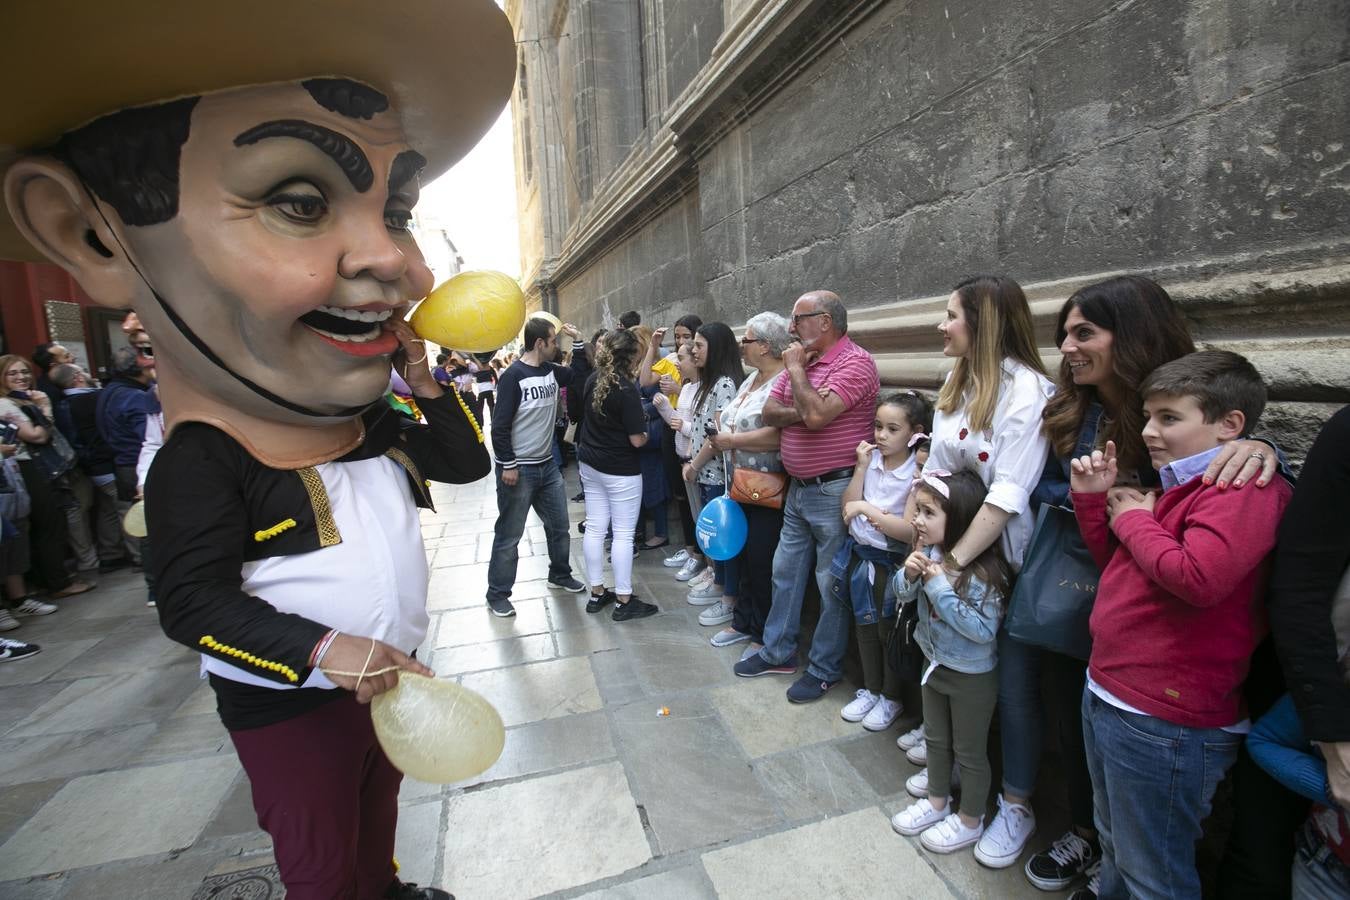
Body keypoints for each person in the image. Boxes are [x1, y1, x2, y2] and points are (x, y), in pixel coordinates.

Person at [1, 4, 513, 894]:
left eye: (396, 211)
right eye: (300, 201)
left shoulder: (371, 420)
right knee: (318, 858)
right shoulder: (204, 456)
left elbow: (467, 469)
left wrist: (428, 390)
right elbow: (190, 602)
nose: (403, 265)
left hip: (389, 687)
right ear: (89, 236)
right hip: (291, 706)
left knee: (374, 824)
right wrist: (323, 651)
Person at [999, 275, 1287, 888]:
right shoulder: (1072, 404)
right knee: (1082, 740)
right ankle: (1096, 848)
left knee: (1152, 846)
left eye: (1084, 332)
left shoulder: (1194, 427)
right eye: (1064, 334)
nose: (1069, 348)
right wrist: (1094, 498)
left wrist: (1264, 451)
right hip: (1096, 608)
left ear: (1130, 337)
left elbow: (1211, 537)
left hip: (1170, 680)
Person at [1070, 350, 1293, 900]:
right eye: (1149, 416)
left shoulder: (1244, 488)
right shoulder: (1183, 483)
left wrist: (1138, 520)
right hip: (1117, 690)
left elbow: (1198, 577)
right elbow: (1127, 572)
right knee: (1117, 843)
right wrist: (1098, 507)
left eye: (1169, 418)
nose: (1149, 431)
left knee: (1156, 874)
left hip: (1166, 714)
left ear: (1230, 425)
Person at [894, 275, 1051, 804]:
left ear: (983, 325)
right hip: (947, 553)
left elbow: (1008, 493)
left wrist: (954, 563)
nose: (941, 325)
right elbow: (935, 475)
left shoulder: (1026, 391)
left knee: (998, 681)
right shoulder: (956, 385)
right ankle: (947, 756)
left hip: (995, 563)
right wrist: (924, 543)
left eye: (951, 315)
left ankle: (1009, 797)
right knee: (942, 650)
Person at [733, 290, 879, 681]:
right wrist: (809, 402)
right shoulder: (807, 362)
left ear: (826, 321)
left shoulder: (855, 363)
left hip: (835, 490)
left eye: (798, 319)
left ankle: (824, 668)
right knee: (785, 571)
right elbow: (770, 412)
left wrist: (797, 373)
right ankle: (778, 650)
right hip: (797, 488)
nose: (791, 328)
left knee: (829, 583)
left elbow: (814, 417)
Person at [889, 470, 1010, 854]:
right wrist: (907, 576)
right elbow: (902, 597)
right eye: (917, 511)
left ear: (956, 518)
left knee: (970, 753)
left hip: (971, 677)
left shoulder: (984, 573)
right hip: (933, 666)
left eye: (927, 513)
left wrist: (938, 587)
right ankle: (938, 803)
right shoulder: (930, 556)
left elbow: (981, 630)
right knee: (937, 741)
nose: (916, 520)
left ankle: (971, 820)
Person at [832, 391, 931, 731]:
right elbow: (847, 507)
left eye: (892, 429)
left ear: (914, 433)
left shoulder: (915, 474)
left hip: (891, 562)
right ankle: (871, 689)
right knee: (865, 625)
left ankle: (891, 696)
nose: (881, 436)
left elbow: (906, 530)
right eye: (878, 427)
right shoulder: (871, 461)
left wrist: (866, 509)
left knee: (889, 629)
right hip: (862, 556)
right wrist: (860, 470)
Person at [485, 317, 587, 617]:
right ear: (539, 343)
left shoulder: (551, 372)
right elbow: (499, 426)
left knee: (559, 526)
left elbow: (578, 376)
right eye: (554, 341)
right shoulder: (513, 376)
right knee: (509, 535)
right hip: (519, 470)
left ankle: (559, 574)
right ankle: (497, 594)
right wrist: (508, 464)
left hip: (547, 466)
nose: (556, 346)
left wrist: (578, 343)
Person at [701, 313, 790, 647]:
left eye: (748, 339)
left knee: (761, 559)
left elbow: (781, 435)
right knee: (743, 554)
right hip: (739, 483)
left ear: (766, 346)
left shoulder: (784, 381)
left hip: (767, 487)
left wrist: (733, 441)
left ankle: (761, 631)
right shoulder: (750, 379)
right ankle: (742, 621)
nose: (742, 346)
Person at [577, 329, 657, 620]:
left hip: (590, 463)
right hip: (620, 469)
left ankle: (597, 593)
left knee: (596, 526)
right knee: (623, 533)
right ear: (632, 356)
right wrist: (647, 433)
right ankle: (624, 599)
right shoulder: (626, 389)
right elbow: (637, 440)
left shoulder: (592, 380)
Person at [0, 355, 88, 600]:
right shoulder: (6, 405)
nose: (21, 377)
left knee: (46, 524)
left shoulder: (23, 401)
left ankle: (47, 580)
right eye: (13, 373)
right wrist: (46, 408)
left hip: (32, 467)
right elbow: (37, 436)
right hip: (25, 468)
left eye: (25, 372)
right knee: (48, 523)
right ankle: (56, 582)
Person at [681, 323, 745, 607]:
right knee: (712, 534)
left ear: (716, 348)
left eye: (699, 345)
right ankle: (718, 581)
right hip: (705, 474)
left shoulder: (725, 385)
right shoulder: (709, 383)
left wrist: (694, 465)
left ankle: (727, 591)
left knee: (722, 538)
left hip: (716, 474)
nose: (693, 351)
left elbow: (715, 435)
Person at [51, 363, 125, 575]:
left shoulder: (63, 404)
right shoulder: (92, 399)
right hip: (104, 463)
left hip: (86, 467)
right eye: (83, 370)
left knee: (107, 510)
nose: (87, 373)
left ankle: (110, 554)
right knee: (124, 507)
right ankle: (138, 554)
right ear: (77, 378)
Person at [656, 341, 705, 581]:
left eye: (682, 358)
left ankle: (704, 562)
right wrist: (665, 408)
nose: (677, 363)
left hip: (697, 460)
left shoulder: (703, 388)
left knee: (703, 516)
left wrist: (683, 426)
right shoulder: (685, 388)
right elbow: (677, 420)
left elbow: (700, 428)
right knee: (693, 512)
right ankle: (699, 559)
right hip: (682, 456)